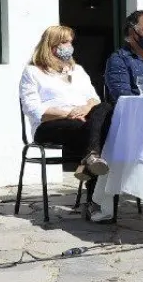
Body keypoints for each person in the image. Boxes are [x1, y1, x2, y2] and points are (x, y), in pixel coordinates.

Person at [19, 26, 111, 182]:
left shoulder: (78, 70)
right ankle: (91, 176)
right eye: (64, 42)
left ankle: (90, 157)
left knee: (105, 107)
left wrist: (85, 108)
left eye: (70, 42)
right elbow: (32, 109)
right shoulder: (33, 72)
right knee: (100, 130)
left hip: (84, 121)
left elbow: (94, 99)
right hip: (49, 125)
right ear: (51, 45)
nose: (69, 46)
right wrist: (69, 114)